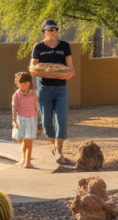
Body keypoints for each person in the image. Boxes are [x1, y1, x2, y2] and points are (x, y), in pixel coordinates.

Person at [31, 19, 72, 164]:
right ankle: (54, 144)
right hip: (44, 89)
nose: (53, 32)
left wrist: (68, 74)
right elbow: (34, 68)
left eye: (55, 29)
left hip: (61, 88)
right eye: (49, 30)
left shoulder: (65, 46)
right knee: (47, 123)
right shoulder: (38, 47)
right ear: (44, 32)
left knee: (61, 119)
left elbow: (70, 67)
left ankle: (59, 150)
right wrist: (41, 71)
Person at [11, 71, 42, 168]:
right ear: (17, 83)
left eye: (26, 82)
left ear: (29, 82)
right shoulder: (16, 95)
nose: (24, 84)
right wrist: (14, 121)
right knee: (24, 141)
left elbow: (37, 108)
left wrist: (38, 122)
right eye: (21, 82)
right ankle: (24, 159)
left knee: (29, 141)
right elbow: (14, 109)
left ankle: (27, 161)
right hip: (21, 120)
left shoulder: (33, 94)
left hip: (31, 119)